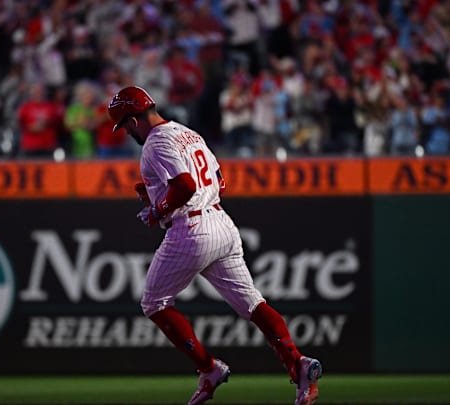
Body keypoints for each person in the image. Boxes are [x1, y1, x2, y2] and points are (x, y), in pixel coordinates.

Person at [107, 86, 322, 405]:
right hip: (222, 222)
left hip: (192, 229)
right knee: (253, 303)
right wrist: (156, 193)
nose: (127, 132)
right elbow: (218, 180)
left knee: (154, 302)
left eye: (124, 126)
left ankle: (208, 369)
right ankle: (297, 363)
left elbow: (185, 185)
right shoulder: (188, 133)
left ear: (134, 120)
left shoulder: (154, 142)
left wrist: (157, 209)